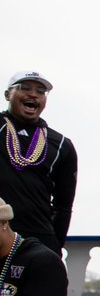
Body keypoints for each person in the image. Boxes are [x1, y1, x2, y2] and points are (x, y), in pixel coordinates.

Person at [1, 72, 77, 256]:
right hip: (2, 232)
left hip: (39, 239)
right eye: (24, 88)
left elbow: (63, 205)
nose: (33, 94)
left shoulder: (60, 144)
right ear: (8, 95)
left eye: (40, 91)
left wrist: (55, 246)